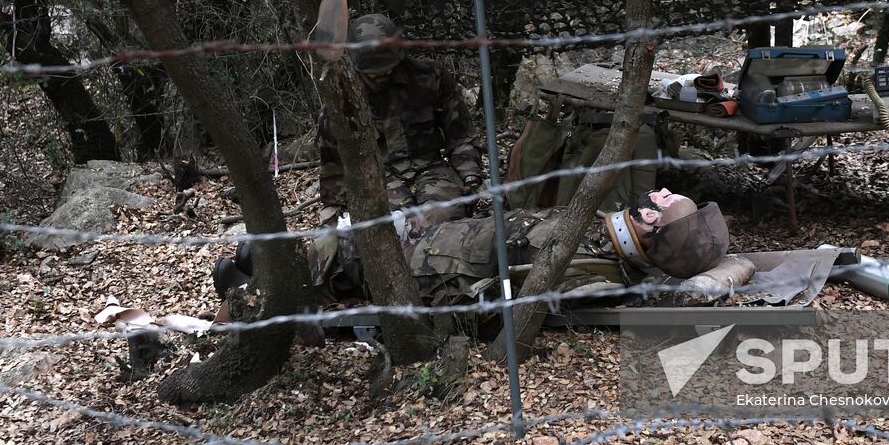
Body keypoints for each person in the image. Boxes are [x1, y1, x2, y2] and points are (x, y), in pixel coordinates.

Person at [295, 187, 730, 307]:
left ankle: (242, 305)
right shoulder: (602, 242)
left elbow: (500, 290)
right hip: (427, 243)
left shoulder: (592, 271)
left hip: (417, 266)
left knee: (306, 259)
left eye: (665, 202)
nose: (661, 192)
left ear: (652, 225)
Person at [312, 14, 483, 279]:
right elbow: (333, 165)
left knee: (441, 217)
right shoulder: (341, 104)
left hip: (431, 169)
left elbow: (460, 135)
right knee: (396, 229)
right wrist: (332, 216)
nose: (382, 77)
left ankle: (446, 280)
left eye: (387, 69)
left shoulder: (429, 77)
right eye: (373, 73)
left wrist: (471, 175)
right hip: (379, 180)